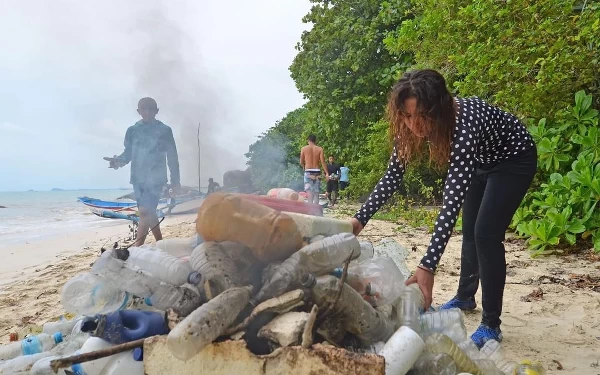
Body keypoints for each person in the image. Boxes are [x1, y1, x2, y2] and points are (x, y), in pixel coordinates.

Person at [349, 69, 537, 347]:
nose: (416, 125)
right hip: (481, 162)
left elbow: (451, 201)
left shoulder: (463, 122)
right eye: (408, 116)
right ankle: (464, 295)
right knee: (470, 230)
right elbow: (392, 177)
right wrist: (359, 220)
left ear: (439, 109)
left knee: (486, 233)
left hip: (514, 159)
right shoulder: (408, 127)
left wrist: (427, 266)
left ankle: (490, 325)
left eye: (423, 116)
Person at [105, 97, 180, 246]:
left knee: (144, 211)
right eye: (144, 109)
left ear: (156, 111)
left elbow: (172, 156)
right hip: (138, 178)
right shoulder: (132, 130)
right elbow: (128, 153)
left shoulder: (165, 130)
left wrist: (175, 181)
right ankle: (161, 243)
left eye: (151, 109)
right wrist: (117, 162)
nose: (147, 112)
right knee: (149, 212)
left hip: (157, 179)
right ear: (138, 111)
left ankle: (137, 247)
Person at [300, 134, 329, 204]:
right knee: (316, 193)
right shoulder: (320, 149)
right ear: (315, 141)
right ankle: (316, 210)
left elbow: (301, 161)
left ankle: (310, 210)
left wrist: (304, 167)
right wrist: (327, 173)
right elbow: (322, 161)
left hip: (308, 172)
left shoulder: (304, 149)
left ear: (308, 140)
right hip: (317, 172)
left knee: (309, 192)